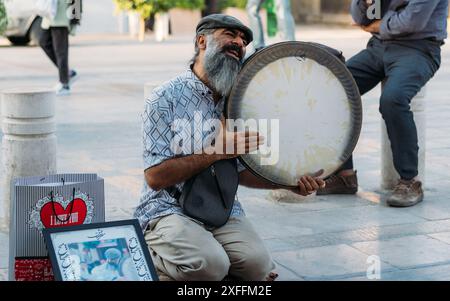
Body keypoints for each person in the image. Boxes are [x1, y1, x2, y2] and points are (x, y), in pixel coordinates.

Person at [134, 14, 325, 281]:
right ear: (202, 41)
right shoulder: (164, 99)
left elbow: (240, 172)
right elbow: (155, 178)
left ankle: (203, 260)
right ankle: (149, 258)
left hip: (221, 208)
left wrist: (287, 183)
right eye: (230, 35)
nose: (239, 43)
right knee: (210, 266)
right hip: (167, 209)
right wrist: (217, 151)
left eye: (244, 40)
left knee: (257, 267)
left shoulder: (239, 102)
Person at [317, 0, 448, 207]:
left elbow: (412, 21)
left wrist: (379, 25)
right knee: (333, 89)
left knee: (393, 99)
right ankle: (345, 175)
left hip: (419, 49)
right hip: (379, 48)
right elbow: (362, 18)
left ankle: (409, 181)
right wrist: (366, 3)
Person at [39, 0, 79, 96]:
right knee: (43, 41)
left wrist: (75, 19)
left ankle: (64, 84)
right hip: (50, 15)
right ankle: (67, 73)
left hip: (62, 16)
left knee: (61, 51)